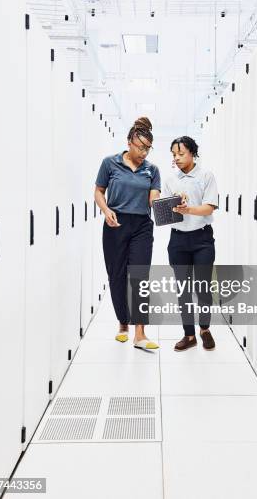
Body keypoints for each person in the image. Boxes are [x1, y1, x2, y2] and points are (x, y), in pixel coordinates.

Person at [94, 117, 161, 351]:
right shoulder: (109, 163)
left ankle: (139, 333)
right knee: (117, 276)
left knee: (140, 277)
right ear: (129, 142)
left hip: (142, 225)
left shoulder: (152, 170)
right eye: (140, 147)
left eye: (148, 148)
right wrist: (105, 209)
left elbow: (154, 199)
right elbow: (99, 191)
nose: (144, 152)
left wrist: (170, 203)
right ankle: (123, 322)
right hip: (115, 225)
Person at [164, 136, 218, 351]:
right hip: (178, 240)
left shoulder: (206, 175)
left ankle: (204, 329)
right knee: (183, 290)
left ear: (192, 153)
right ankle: (189, 335)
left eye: (181, 154)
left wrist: (189, 209)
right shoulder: (170, 179)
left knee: (203, 287)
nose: (176, 158)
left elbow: (209, 207)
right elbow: (165, 211)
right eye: (174, 155)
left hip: (202, 239)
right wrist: (173, 206)